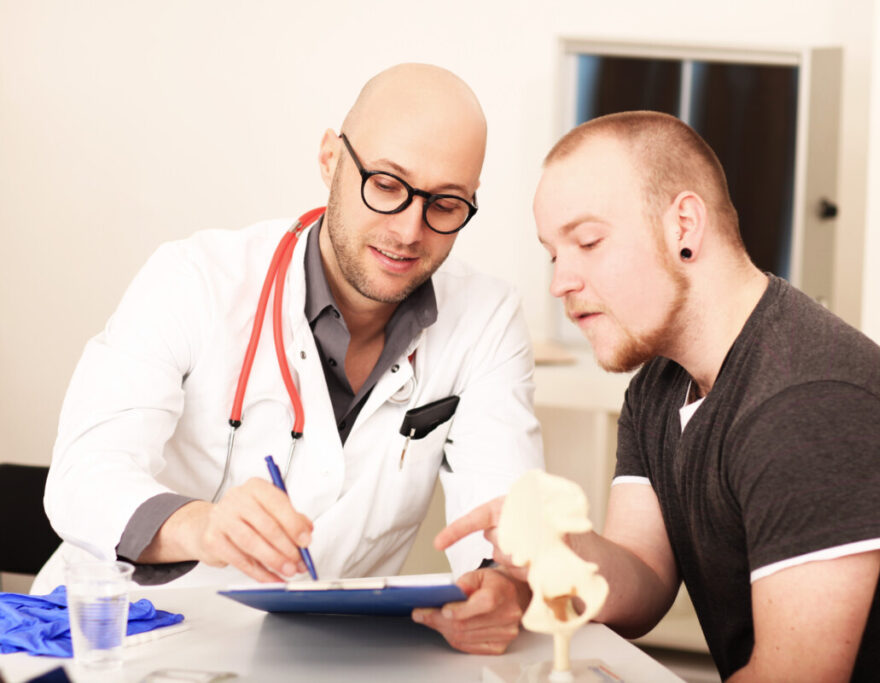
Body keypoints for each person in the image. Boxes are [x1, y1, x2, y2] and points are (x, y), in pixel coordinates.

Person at [433, 111, 880, 679]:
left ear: (684, 226)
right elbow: (643, 584)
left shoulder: (808, 403)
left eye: (587, 242)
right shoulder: (659, 387)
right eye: (553, 254)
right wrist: (558, 547)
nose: (560, 281)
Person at [37, 63, 541, 654]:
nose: (410, 230)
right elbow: (83, 476)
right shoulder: (195, 279)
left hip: (319, 651)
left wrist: (503, 586)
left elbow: (506, 518)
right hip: (126, 638)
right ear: (330, 160)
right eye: (386, 184)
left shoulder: (488, 318)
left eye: (447, 204)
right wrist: (202, 525)